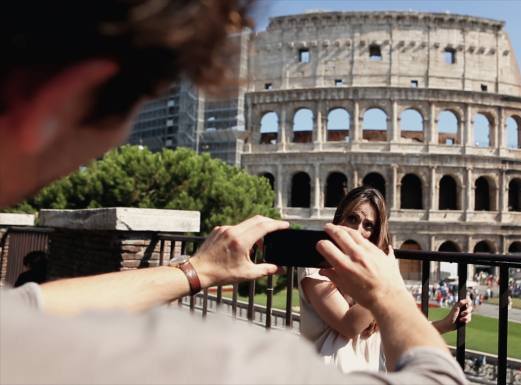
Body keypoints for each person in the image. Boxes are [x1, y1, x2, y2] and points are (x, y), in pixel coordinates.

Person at [0, 1, 467, 384]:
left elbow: (33, 308)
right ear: (63, 98)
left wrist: (196, 270)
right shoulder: (182, 361)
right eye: (131, 106)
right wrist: (390, 291)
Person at [298, 186, 472, 372]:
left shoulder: (376, 275)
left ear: (376, 232)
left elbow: (395, 334)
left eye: (368, 225)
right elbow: (348, 326)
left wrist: (445, 324)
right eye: (352, 218)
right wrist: (385, 281)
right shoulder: (315, 268)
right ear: (339, 219)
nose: (358, 230)